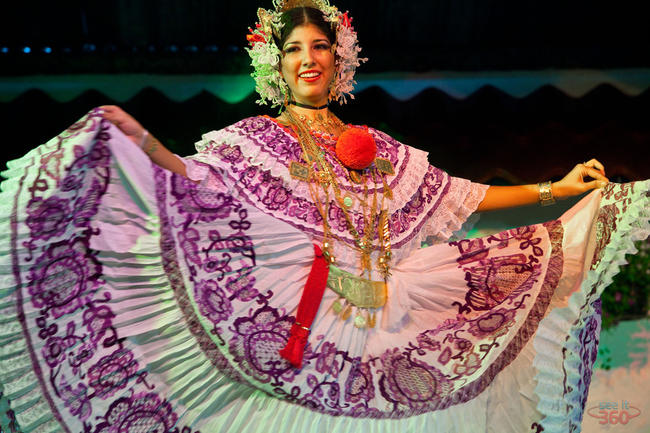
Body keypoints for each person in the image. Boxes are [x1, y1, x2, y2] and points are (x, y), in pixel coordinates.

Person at [0, 1, 648, 432]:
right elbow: (194, 183)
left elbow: (465, 195)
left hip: (391, 316)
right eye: (294, 50)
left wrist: (553, 189)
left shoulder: (379, 150)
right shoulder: (252, 141)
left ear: (339, 61)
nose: (308, 58)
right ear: (276, 67)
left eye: (319, 46)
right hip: (300, 318)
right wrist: (142, 145)